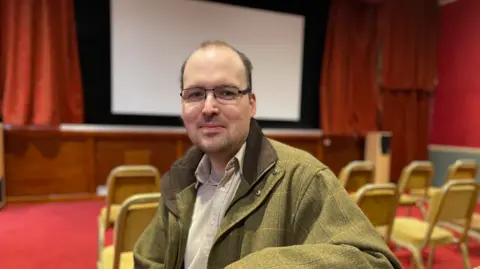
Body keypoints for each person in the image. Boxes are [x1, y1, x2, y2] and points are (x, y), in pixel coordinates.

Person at [133, 40, 402, 269]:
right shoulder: (179, 179)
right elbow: (149, 260)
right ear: (183, 106)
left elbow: (376, 262)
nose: (208, 107)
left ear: (251, 104)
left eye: (226, 92)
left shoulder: (303, 177)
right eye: (195, 94)